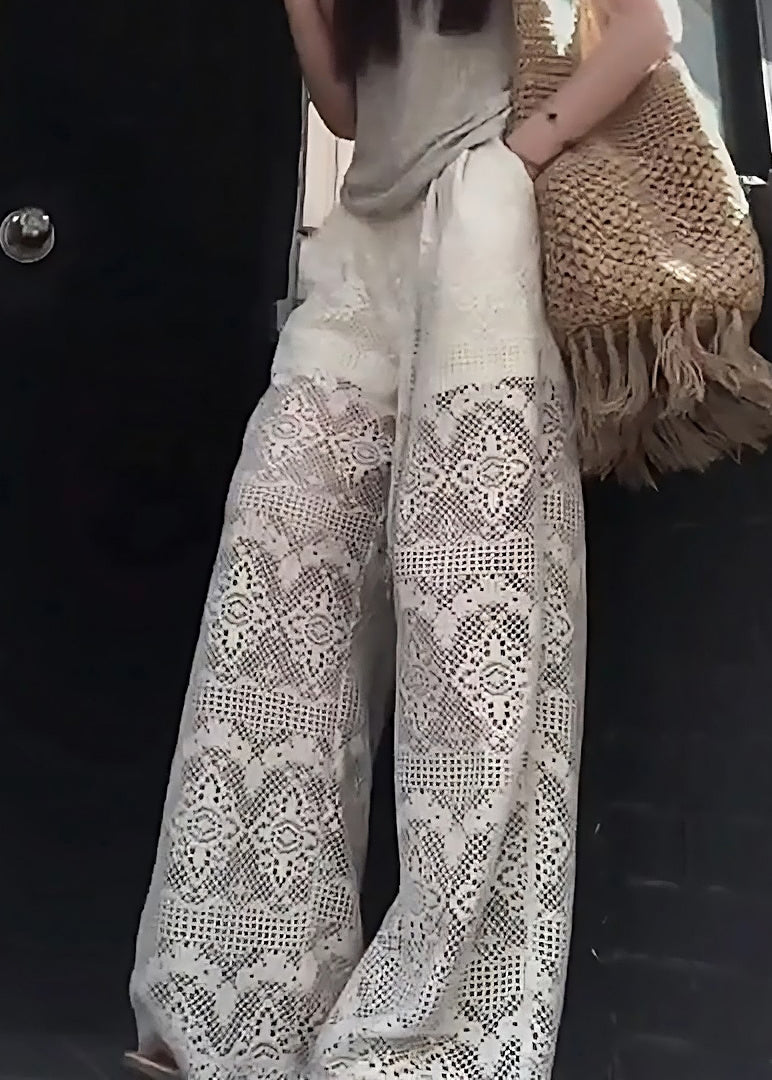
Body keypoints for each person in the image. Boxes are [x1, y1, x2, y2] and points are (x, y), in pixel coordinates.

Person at [126, 1, 679, 1077]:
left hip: (485, 243)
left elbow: (644, 32)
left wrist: (515, 158)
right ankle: (226, 1017)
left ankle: (428, 1046)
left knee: (472, 652)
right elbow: (349, 108)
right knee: (273, 594)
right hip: (362, 252)